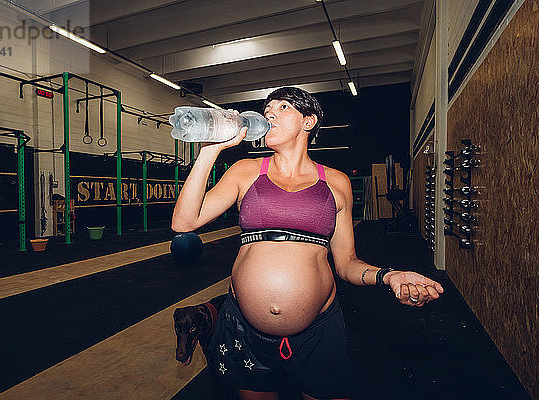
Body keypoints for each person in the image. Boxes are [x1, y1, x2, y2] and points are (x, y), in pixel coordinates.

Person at [171, 87, 444, 400]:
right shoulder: (245, 171)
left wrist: (389, 275)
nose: (269, 113)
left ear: (309, 121)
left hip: (318, 332)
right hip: (245, 330)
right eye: (267, 108)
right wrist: (209, 151)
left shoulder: (336, 182)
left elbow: (346, 263)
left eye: (283, 107)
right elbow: (184, 222)